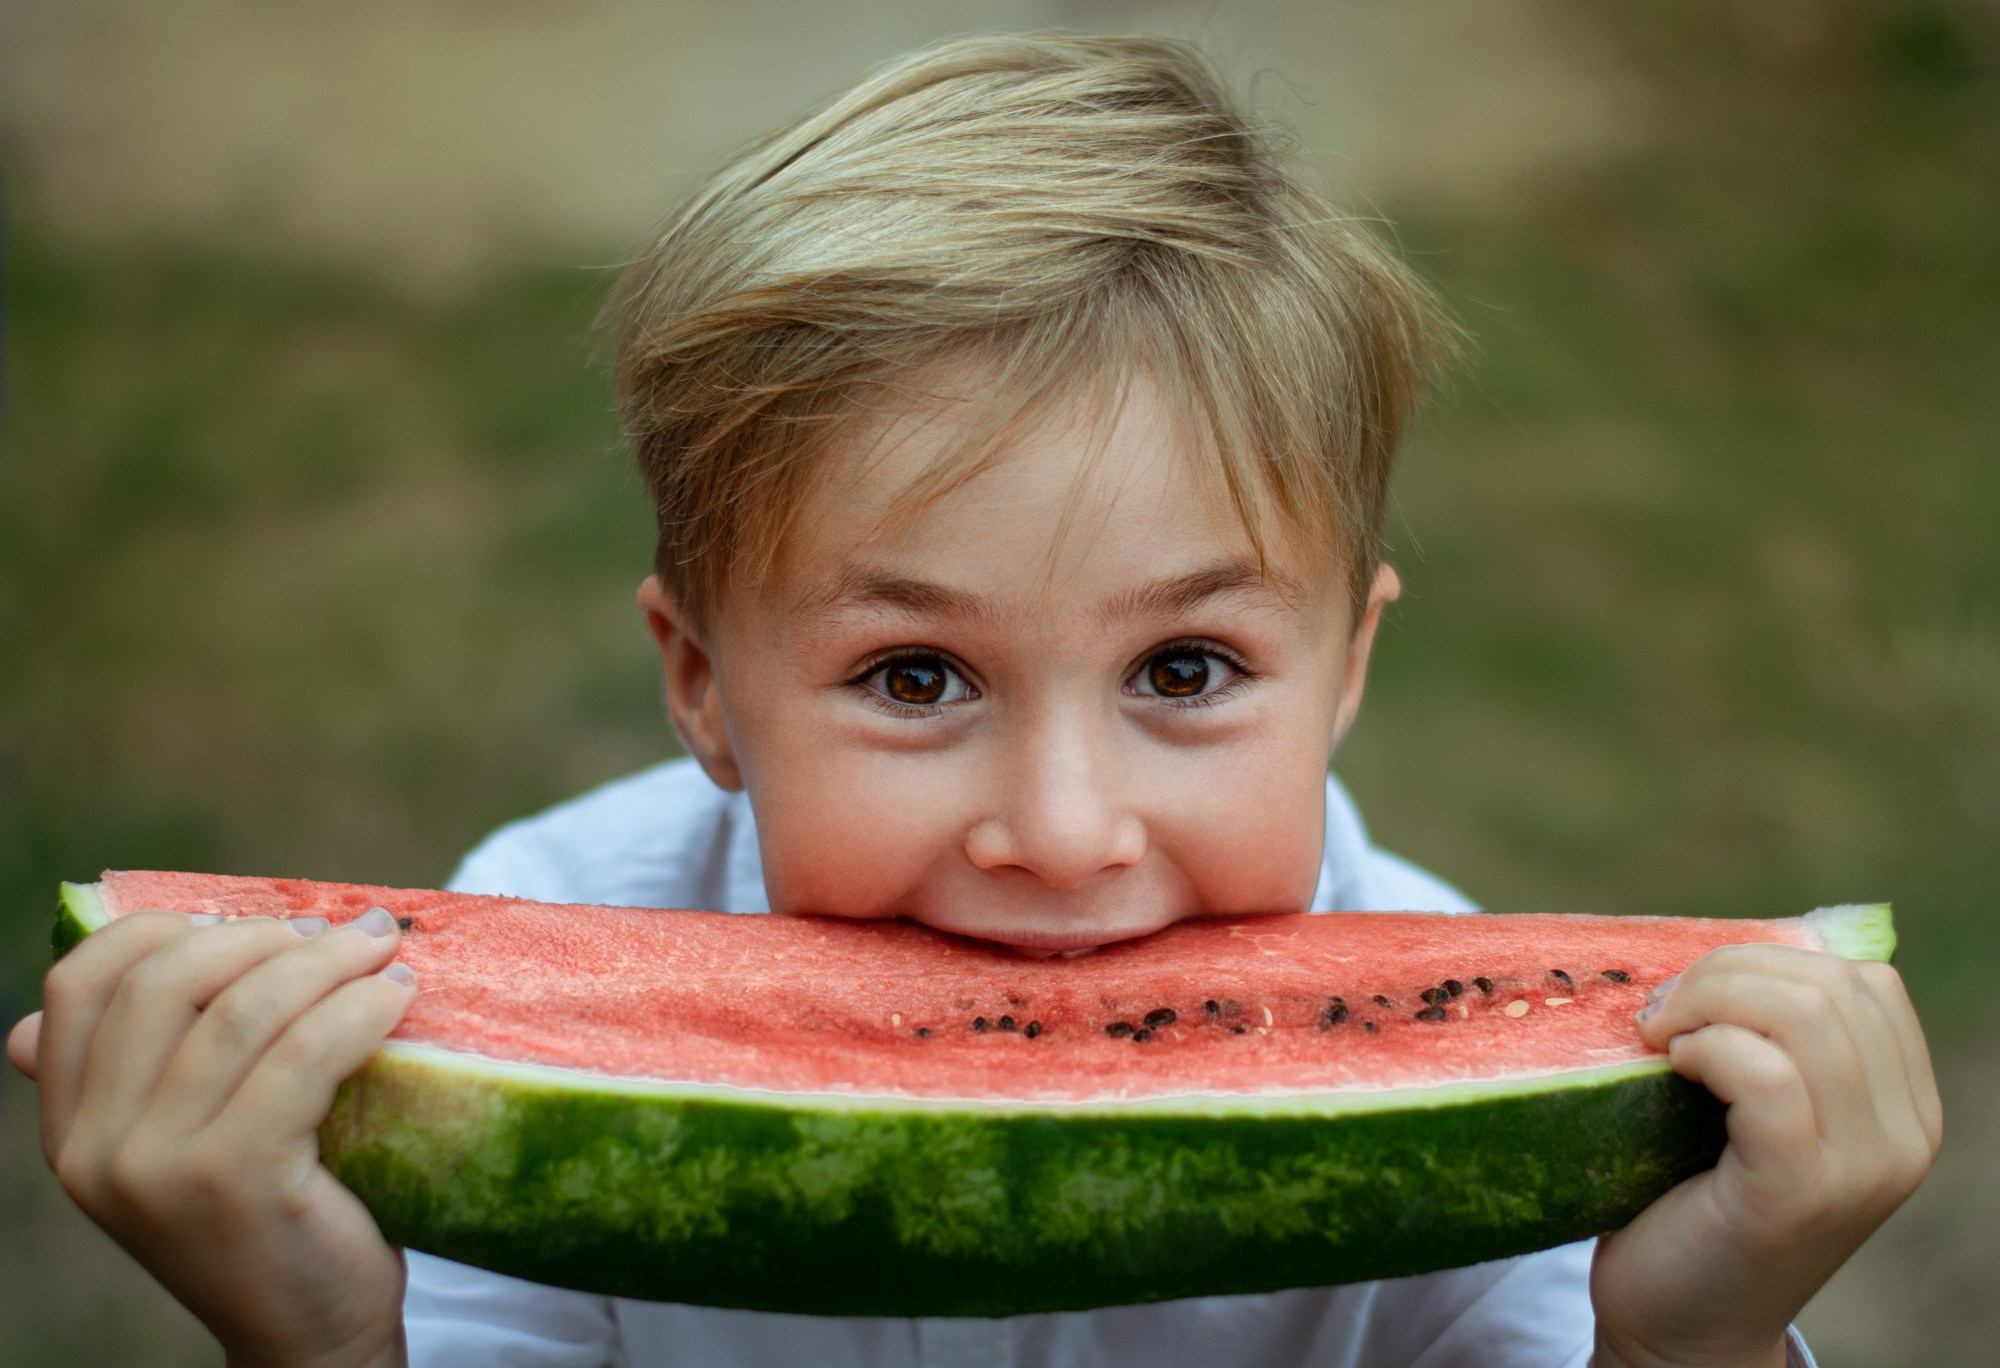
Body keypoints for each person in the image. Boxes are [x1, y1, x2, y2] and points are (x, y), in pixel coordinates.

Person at [6, 33, 1940, 1368]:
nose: (1067, 828)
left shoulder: (1462, 1023)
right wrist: (320, 1335)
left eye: (1187, 669)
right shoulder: (543, 941)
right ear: (701, 687)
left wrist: (1689, 1333)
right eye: (915, 675)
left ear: (1347, 664)